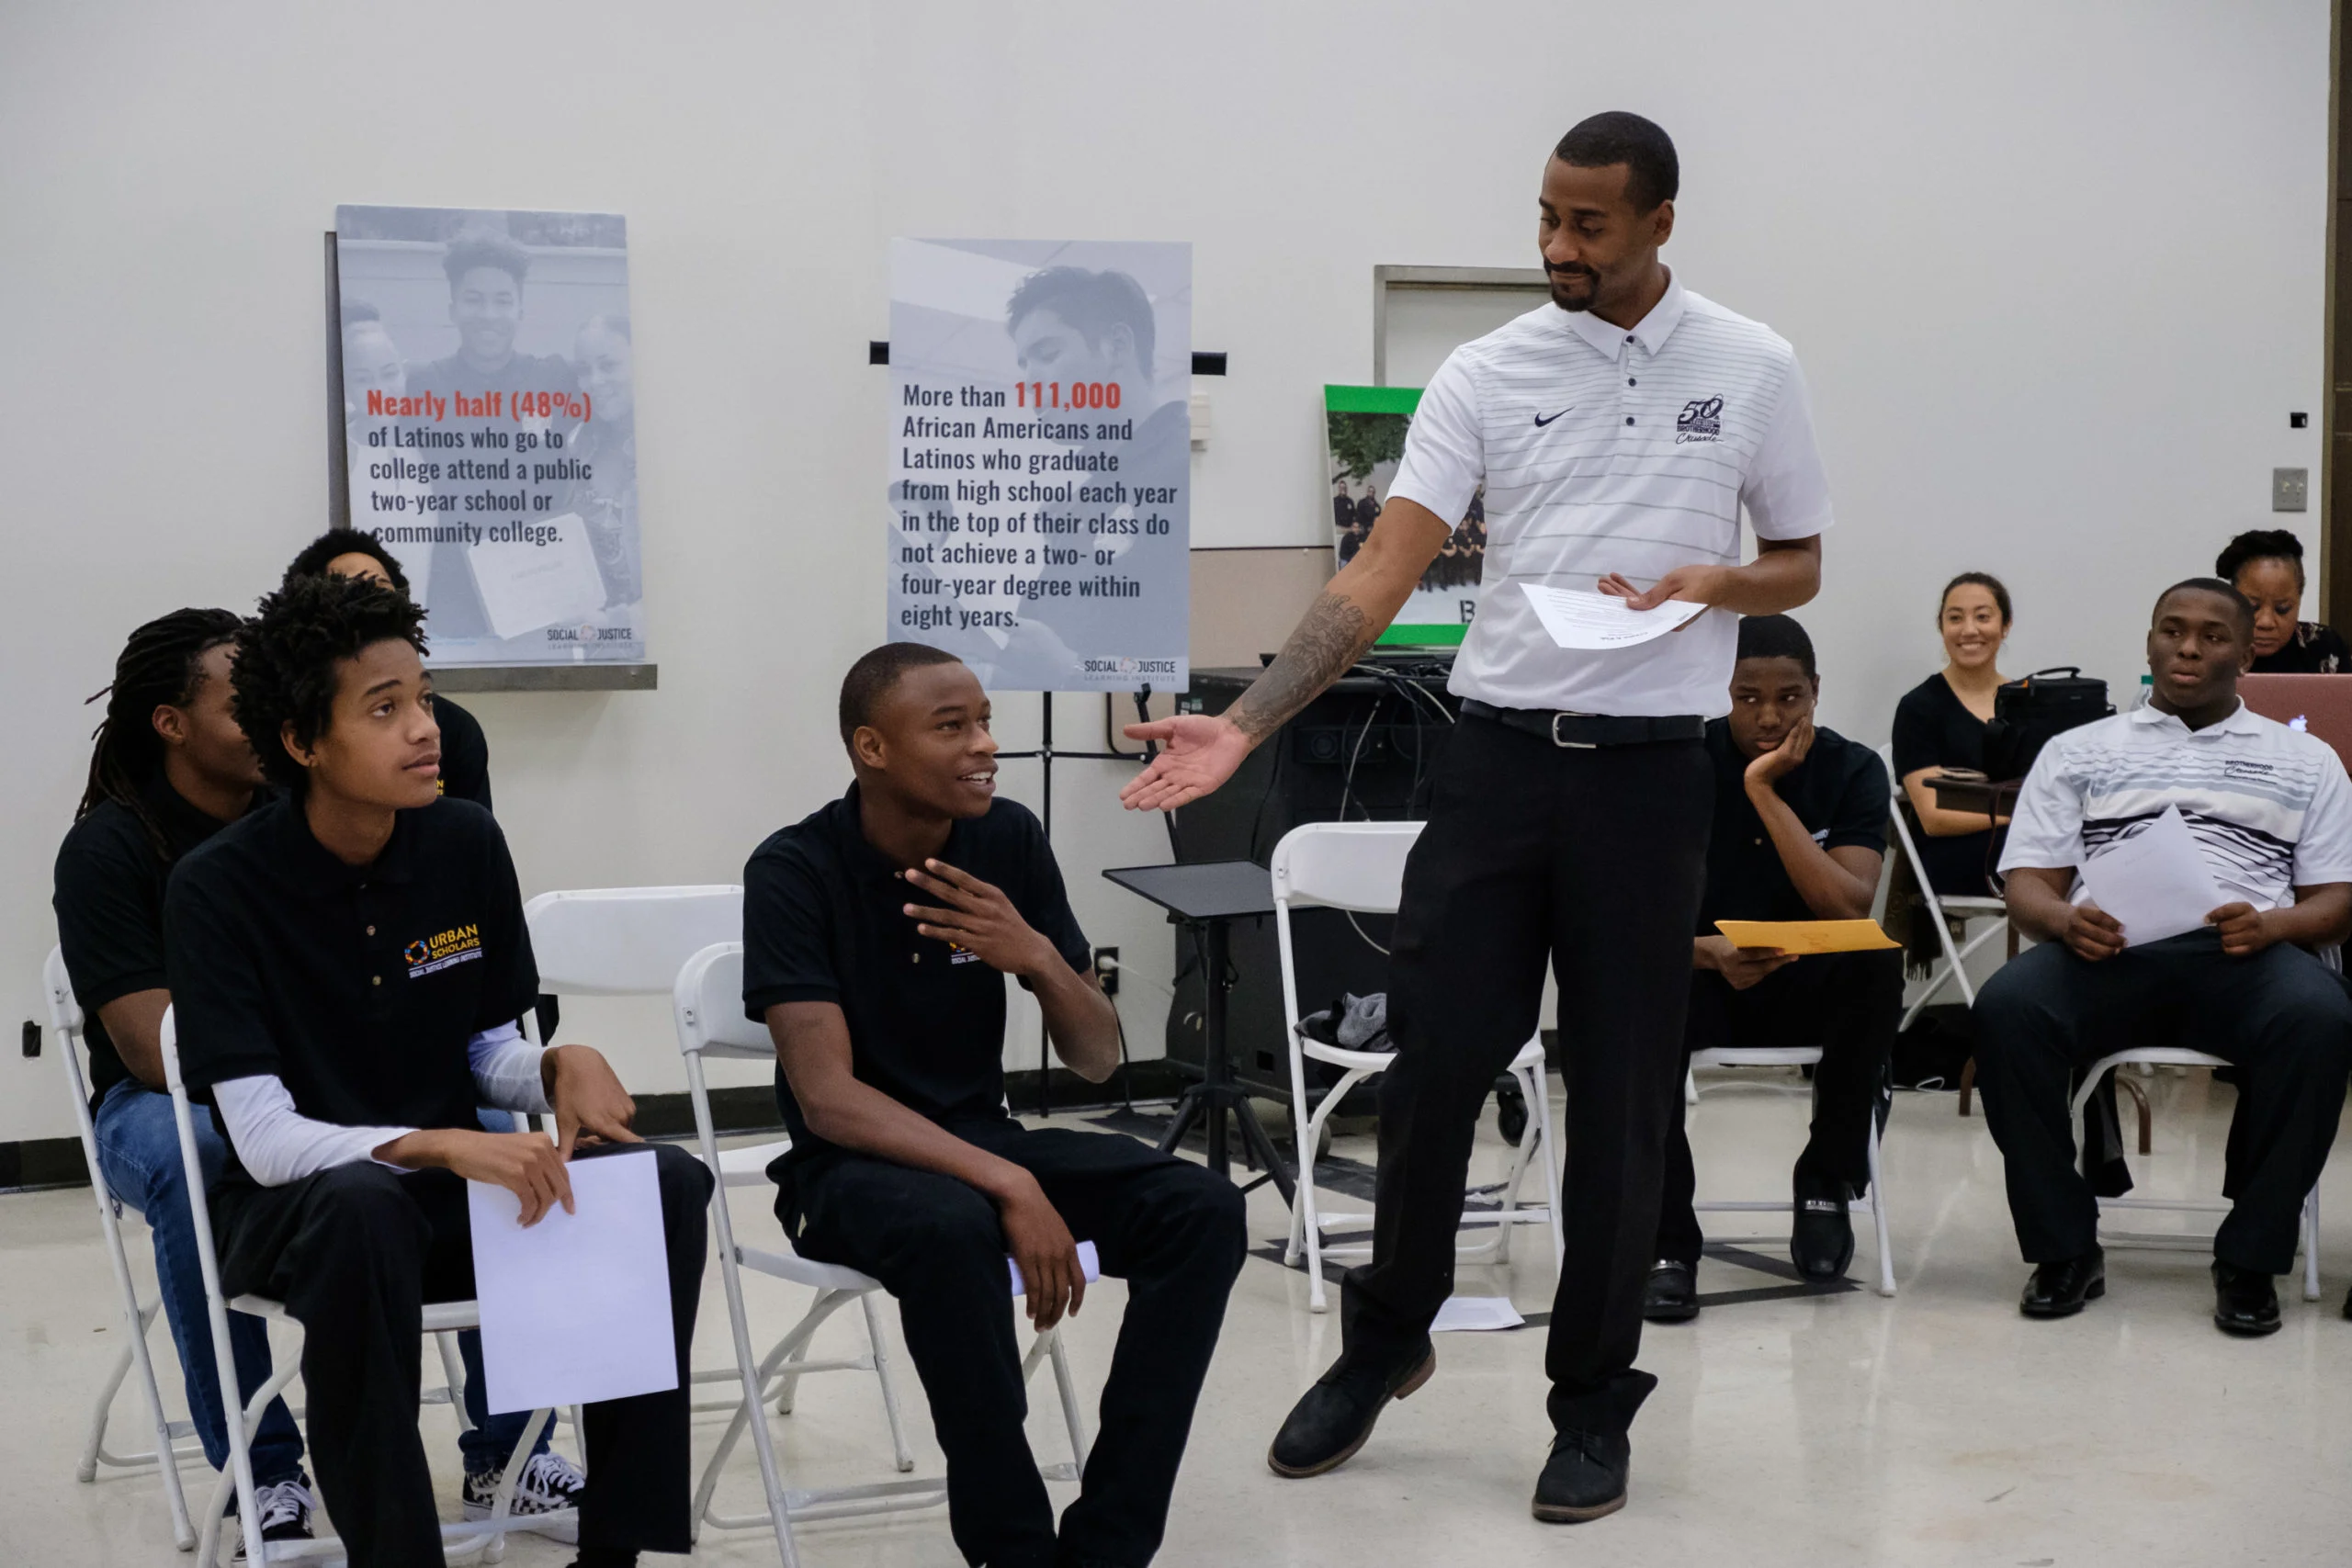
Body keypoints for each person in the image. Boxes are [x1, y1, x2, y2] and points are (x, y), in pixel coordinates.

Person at [1122, 111, 1834, 1523]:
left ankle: (1591, 1400)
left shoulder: (1753, 366)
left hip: (1647, 777)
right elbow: (1382, 570)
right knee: (1437, 1066)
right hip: (1498, 765)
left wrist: (1714, 584)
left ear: (1661, 223)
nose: (1559, 248)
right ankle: (1387, 1340)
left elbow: (1801, 563)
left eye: (1590, 225)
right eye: (1547, 220)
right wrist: (1247, 719)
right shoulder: (1488, 370)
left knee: (1626, 1095)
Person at [167, 575, 711, 1568]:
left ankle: (618, 1551)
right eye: (385, 710)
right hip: (307, 1224)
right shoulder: (218, 890)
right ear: (301, 742)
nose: (426, 728)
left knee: (661, 1181)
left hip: (447, 1209)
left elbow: (481, 1050)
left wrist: (556, 1067)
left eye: (422, 697)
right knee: (364, 1204)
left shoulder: (464, 842)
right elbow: (261, 1134)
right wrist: (437, 1144)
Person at [743, 643, 1246, 1568]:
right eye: (951, 727)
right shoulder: (794, 870)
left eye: (984, 722)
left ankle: (1106, 1547)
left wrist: (1040, 958)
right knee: (950, 1229)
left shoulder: (1005, 838)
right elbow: (827, 1102)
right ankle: (1011, 1549)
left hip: (985, 1144)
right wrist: (1008, 1183)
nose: (985, 746)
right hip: (851, 1174)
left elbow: (1095, 1061)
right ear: (871, 748)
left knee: (1203, 1209)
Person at [1973, 579, 2352, 1337]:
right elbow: (2027, 886)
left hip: (2242, 956)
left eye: (2213, 636)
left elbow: (2335, 901)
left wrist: (2274, 927)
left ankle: (2250, 1258)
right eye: (2171, 630)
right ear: (2148, 642)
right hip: (2108, 952)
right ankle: (2065, 1249)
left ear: (2248, 653)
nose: (2188, 647)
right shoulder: (2078, 751)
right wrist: (2065, 919)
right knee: (2008, 1007)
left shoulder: (2305, 761)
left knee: (2320, 1017)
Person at [53, 609, 318, 1548]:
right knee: (197, 1150)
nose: (272, 711)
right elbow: (145, 1044)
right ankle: (264, 1469)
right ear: (170, 723)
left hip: (308, 1079)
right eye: (241, 700)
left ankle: (509, 1443)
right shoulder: (109, 851)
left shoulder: (302, 817)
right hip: (157, 1104)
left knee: (483, 1114)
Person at [1644, 615, 1900, 1322]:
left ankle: (1825, 1182)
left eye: (1788, 697)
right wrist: (1707, 953)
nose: (1767, 715)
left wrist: (1764, 791)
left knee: (1876, 961)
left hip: (1805, 981)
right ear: (1720, 691)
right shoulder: (1679, 765)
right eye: (1746, 696)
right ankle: (1666, 1241)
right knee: (1633, 993)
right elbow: (1627, 916)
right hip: (1703, 975)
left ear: (1816, 692)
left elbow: (1848, 908)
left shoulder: (1852, 768)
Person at [402, 231, 580, 641]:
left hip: (541, 587)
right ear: (453, 308)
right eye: (474, 299)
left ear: (521, 310)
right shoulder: (421, 387)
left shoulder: (555, 378)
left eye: (502, 301)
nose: (488, 313)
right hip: (451, 594)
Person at [283, 527, 492, 811]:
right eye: (383, 708)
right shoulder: (294, 727)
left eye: (381, 588)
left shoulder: (456, 729)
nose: (426, 730)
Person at [1892, 571, 2015, 896]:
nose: (1969, 630)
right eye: (1955, 618)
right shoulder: (1918, 707)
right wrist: (2025, 813)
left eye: (1983, 617)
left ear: (2006, 625)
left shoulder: (2029, 702)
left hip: (2027, 847)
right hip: (1956, 856)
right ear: (1941, 627)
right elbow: (1933, 815)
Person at [558, 314, 642, 609]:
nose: (594, 381)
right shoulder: (578, 444)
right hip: (591, 633)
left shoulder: (672, 446)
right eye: (584, 370)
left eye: (608, 366)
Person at [2216, 528, 2349, 674]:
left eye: (2282, 608)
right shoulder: (2210, 649)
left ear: (2299, 600)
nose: (2266, 623)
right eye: (2252, 607)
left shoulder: (2324, 647)